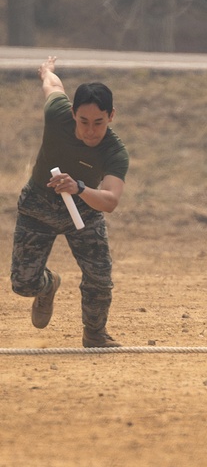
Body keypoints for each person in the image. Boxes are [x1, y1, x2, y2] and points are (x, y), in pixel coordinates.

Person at [11, 56, 130, 348]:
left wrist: (78, 188)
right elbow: (52, 86)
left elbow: (111, 200)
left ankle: (94, 334)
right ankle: (48, 285)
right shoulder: (57, 114)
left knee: (99, 278)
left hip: (85, 212)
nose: (91, 131)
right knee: (23, 284)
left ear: (111, 115)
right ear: (73, 113)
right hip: (38, 206)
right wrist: (47, 71)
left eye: (99, 122)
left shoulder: (115, 152)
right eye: (84, 121)